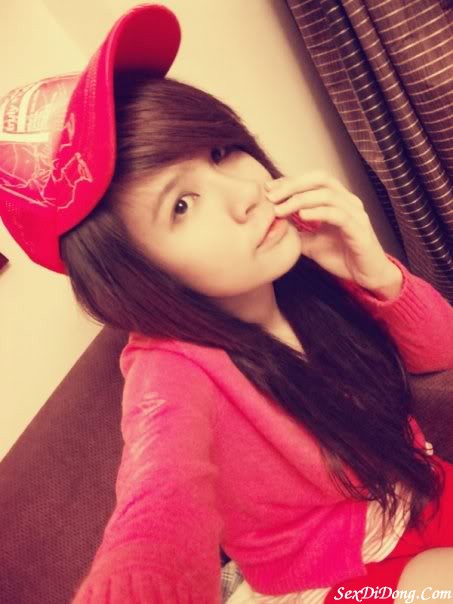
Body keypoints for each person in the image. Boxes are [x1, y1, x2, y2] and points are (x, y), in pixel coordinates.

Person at [1, 4, 453, 603]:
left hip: (420, 489)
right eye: (181, 205)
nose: (244, 193)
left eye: (219, 152)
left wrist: (379, 275)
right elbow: (155, 507)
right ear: (137, 272)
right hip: (338, 574)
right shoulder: (169, 371)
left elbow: (441, 355)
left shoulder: (298, 268)